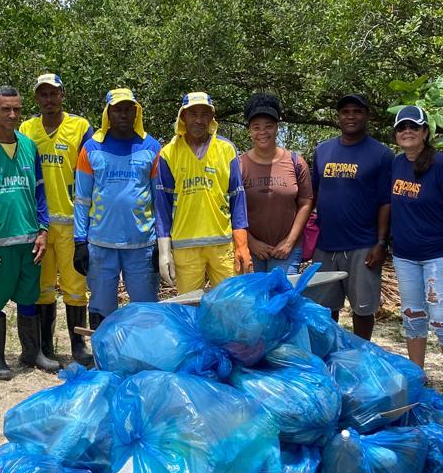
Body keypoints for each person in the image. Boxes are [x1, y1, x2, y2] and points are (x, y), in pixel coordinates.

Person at [0, 86, 58, 379]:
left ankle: (32, 352)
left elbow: (40, 191)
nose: (12, 115)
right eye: (6, 109)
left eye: (17, 109)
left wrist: (43, 229)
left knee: (28, 296)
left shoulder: (28, 145)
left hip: (29, 239)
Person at [389, 105, 443, 392]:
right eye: (402, 128)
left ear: (425, 132)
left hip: (438, 256)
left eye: (414, 127)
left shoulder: (442, 164)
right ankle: (417, 377)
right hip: (404, 257)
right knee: (412, 316)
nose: (407, 132)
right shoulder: (396, 164)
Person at [73, 88, 162, 327]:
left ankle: (144, 357)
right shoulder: (91, 149)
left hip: (142, 244)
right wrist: (79, 241)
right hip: (101, 244)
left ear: (136, 112)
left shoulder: (152, 148)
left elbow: (159, 200)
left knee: (146, 309)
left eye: (128, 109)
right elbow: (82, 199)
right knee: (102, 309)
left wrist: (162, 244)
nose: (123, 114)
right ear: (107, 114)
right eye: (117, 110)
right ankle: (103, 358)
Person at [21, 72, 93, 364]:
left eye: (54, 93)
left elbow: (91, 171)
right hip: (40, 223)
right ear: (36, 98)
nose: (49, 99)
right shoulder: (26, 128)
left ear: (62, 95)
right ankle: (45, 346)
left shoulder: (80, 127)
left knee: (76, 286)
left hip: (72, 222)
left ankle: (78, 345)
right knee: (43, 286)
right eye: (43, 94)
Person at [310, 92, 392, 340]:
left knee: (363, 308)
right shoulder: (323, 151)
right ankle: (330, 355)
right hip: (326, 244)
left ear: (366, 115)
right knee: (325, 309)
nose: (351, 116)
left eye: (357, 111)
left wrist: (381, 243)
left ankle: (361, 356)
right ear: (338, 117)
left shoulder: (381, 154)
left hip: (363, 245)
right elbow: (312, 194)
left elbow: (386, 203)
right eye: (345, 111)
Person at [153, 91, 251, 295]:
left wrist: (242, 247)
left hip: (222, 245)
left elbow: (237, 199)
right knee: (189, 308)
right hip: (185, 247)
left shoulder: (226, 149)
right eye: (193, 114)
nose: (199, 120)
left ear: (212, 117)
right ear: (182, 117)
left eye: (205, 114)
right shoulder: (168, 153)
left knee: (230, 305)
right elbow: (162, 206)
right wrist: (164, 253)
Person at [240, 93, 312, 276]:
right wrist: (251, 242)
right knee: (256, 303)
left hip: (287, 251)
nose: (262, 132)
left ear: (277, 128)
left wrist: (289, 241)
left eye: (268, 126)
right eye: (256, 127)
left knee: (283, 301)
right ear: (249, 131)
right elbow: (231, 209)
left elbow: (305, 203)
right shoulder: (238, 165)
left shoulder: (296, 162)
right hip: (251, 250)